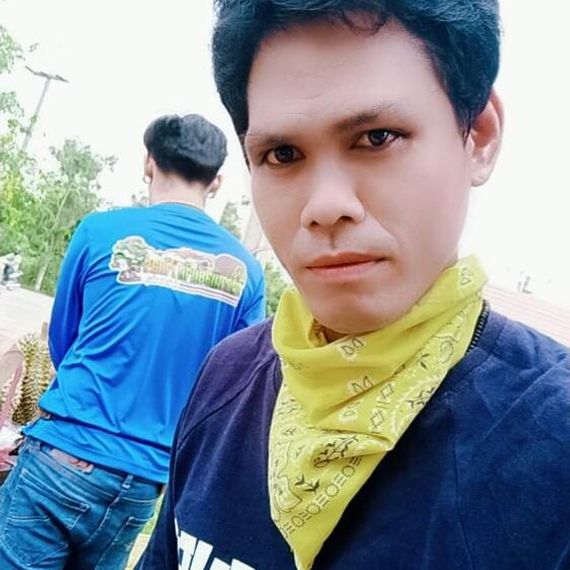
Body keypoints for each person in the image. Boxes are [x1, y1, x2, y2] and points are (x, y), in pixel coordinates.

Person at [139, 2, 570, 570]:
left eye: (377, 137)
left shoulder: (553, 440)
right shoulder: (227, 376)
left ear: (479, 136)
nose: (324, 206)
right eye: (282, 154)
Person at [0, 113, 266, 569]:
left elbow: (63, 341)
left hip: (62, 455)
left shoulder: (99, 232)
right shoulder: (245, 271)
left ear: (148, 162)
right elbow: (231, 384)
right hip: (142, 484)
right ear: (217, 181)